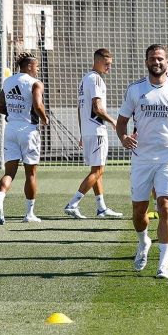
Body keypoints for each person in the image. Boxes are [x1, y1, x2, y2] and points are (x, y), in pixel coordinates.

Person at [116, 44, 168, 279]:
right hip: (141, 159)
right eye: (152, 58)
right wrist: (123, 137)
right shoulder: (135, 90)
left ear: (167, 62)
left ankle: (163, 264)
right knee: (139, 212)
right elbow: (121, 122)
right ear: (146, 62)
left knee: (166, 207)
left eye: (160, 58)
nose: (156, 62)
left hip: (167, 158)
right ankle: (143, 243)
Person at [64, 48, 122, 219]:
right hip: (97, 130)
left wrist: (82, 133)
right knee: (98, 171)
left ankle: (101, 208)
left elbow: (80, 109)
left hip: (88, 131)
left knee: (97, 170)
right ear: (97, 61)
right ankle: (73, 204)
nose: (109, 68)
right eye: (107, 64)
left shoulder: (84, 80)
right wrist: (113, 121)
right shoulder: (95, 79)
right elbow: (97, 108)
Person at [0, 52, 49, 224]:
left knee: (9, 172)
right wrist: (45, 119)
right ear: (29, 66)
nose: (38, 69)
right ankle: (29, 214)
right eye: (37, 66)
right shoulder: (35, 83)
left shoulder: (8, 81)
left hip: (10, 129)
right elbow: (37, 104)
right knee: (30, 174)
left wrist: (13, 113)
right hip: (28, 131)